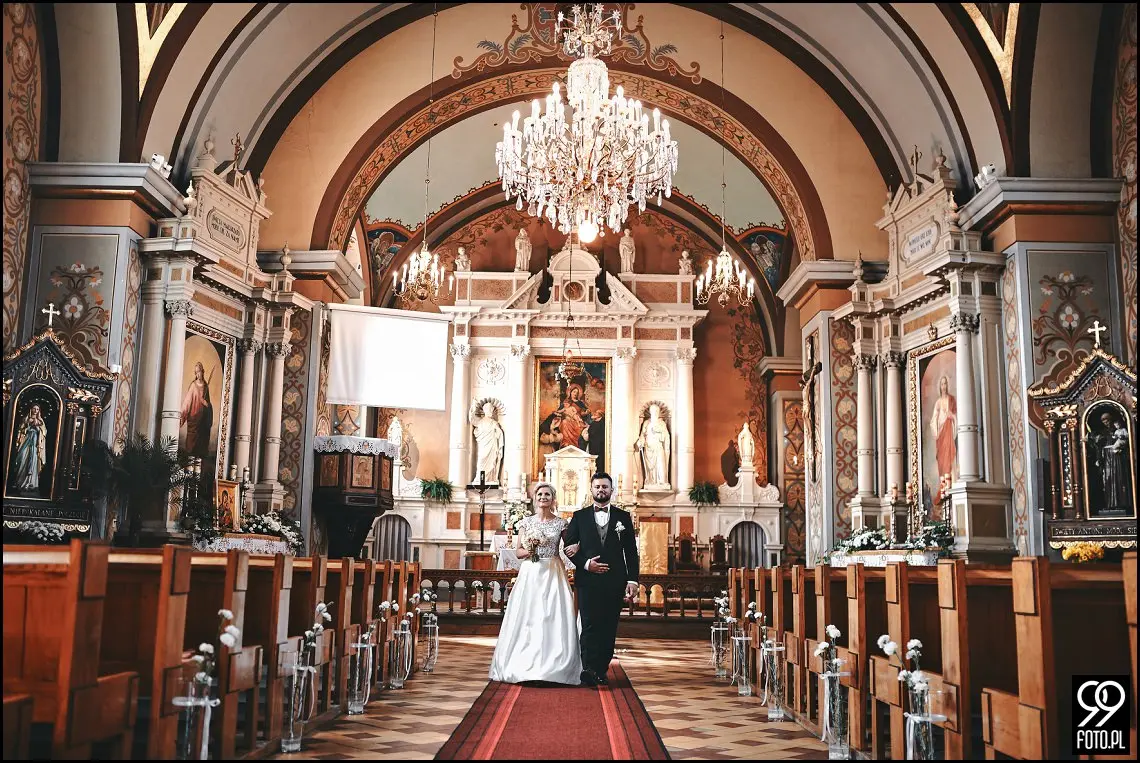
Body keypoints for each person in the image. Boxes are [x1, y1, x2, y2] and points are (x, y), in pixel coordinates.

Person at [489, 482, 583, 684]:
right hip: (531, 573)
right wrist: (531, 548)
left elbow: (569, 547)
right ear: (535, 498)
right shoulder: (526, 523)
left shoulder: (561, 524)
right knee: (529, 616)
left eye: (547, 494)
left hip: (553, 572)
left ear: (553, 498)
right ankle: (523, 663)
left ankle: (556, 665)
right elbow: (518, 552)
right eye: (540, 494)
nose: (543, 497)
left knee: (552, 615)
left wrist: (579, 547)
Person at [563, 473, 640, 686]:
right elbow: (568, 548)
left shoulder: (623, 517)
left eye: (605, 487)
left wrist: (632, 580)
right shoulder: (579, 516)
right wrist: (587, 563)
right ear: (591, 489)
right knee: (589, 625)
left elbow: (631, 552)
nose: (601, 490)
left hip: (614, 581)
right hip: (588, 580)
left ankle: (601, 669)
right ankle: (588, 669)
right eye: (597, 487)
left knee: (608, 626)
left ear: (611, 490)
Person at [1092, 410, 1131, 512]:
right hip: (1107, 457)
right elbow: (1099, 445)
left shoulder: (1118, 429)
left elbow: (1124, 441)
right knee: (1108, 480)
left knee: (1118, 479)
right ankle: (1110, 504)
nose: (1106, 423)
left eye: (1107, 420)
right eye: (1104, 421)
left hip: (1117, 456)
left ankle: (1120, 504)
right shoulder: (1103, 431)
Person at [928, 374, 958, 504]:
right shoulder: (938, 402)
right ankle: (943, 488)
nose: (944, 386)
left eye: (945, 383)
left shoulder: (952, 400)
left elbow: (956, 415)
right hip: (941, 434)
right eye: (942, 384)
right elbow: (934, 419)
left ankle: (950, 486)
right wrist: (937, 428)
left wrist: (952, 417)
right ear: (939, 387)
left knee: (949, 459)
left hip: (948, 432)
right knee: (942, 461)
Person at [13, 404, 49, 492]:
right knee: (22, 459)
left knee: (33, 461)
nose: (35, 410)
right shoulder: (25, 419)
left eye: (37, 409)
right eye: (34, 408)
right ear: (31, 409)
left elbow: (44, 433)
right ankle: (20, 483)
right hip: (25, 442)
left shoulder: (41, 421)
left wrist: (37, 428)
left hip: (35, 444)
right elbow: (20, 431)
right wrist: (28, 428)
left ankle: (31, 483)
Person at [180, 361, 213, 458]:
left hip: (203, 420)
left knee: (201, 445)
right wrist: (182, 414)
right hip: (194, 419)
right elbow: (187, 401)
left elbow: (208, 404)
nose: (198, 374)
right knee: (191, 445)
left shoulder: (206, 386)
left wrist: (205, 403)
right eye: (196, 372)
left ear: (203, 372)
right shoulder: (193, 386)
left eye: (199, 371)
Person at [635, 404, 671, 486]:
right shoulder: (646, 423)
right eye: (653, 411)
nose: (655, 412)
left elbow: (666, 436)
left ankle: (663, 482)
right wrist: (640, 442)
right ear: (650, 412)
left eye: (656, 411)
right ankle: (651, 482)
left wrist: (660, 433)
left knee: (661, 465)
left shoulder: (662, 423)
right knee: (650, 470)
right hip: (648, 448)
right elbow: (642, 436)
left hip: (658, 447)